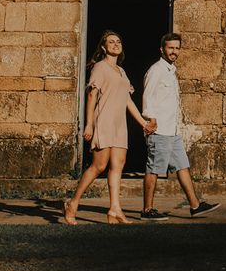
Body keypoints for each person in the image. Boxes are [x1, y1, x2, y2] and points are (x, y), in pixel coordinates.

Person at [63, 31, 155, 225]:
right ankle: (72, 203)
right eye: (111, 42)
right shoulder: (100, 67)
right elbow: (91, 96)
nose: (116, 44)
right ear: (103, 47)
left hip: (120, 124)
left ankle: (115, 209)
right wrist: (89, 124)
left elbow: (128, 101)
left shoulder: (122, 72)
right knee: (99, 166)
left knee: (118, 166)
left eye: (118, 41)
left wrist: (143, 123)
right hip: (103, 120)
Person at [139, 32, 218, 220]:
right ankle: (147, 210)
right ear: (162, 49)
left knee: (183, 166)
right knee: (154, 169)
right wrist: (150, 119)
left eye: (177, 48)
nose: (174, 51)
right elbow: (147, 96)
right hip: (159, 130)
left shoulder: (171, 71)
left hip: (172, 130)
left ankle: (195, 205)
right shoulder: (156, 70)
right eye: (171, 48)